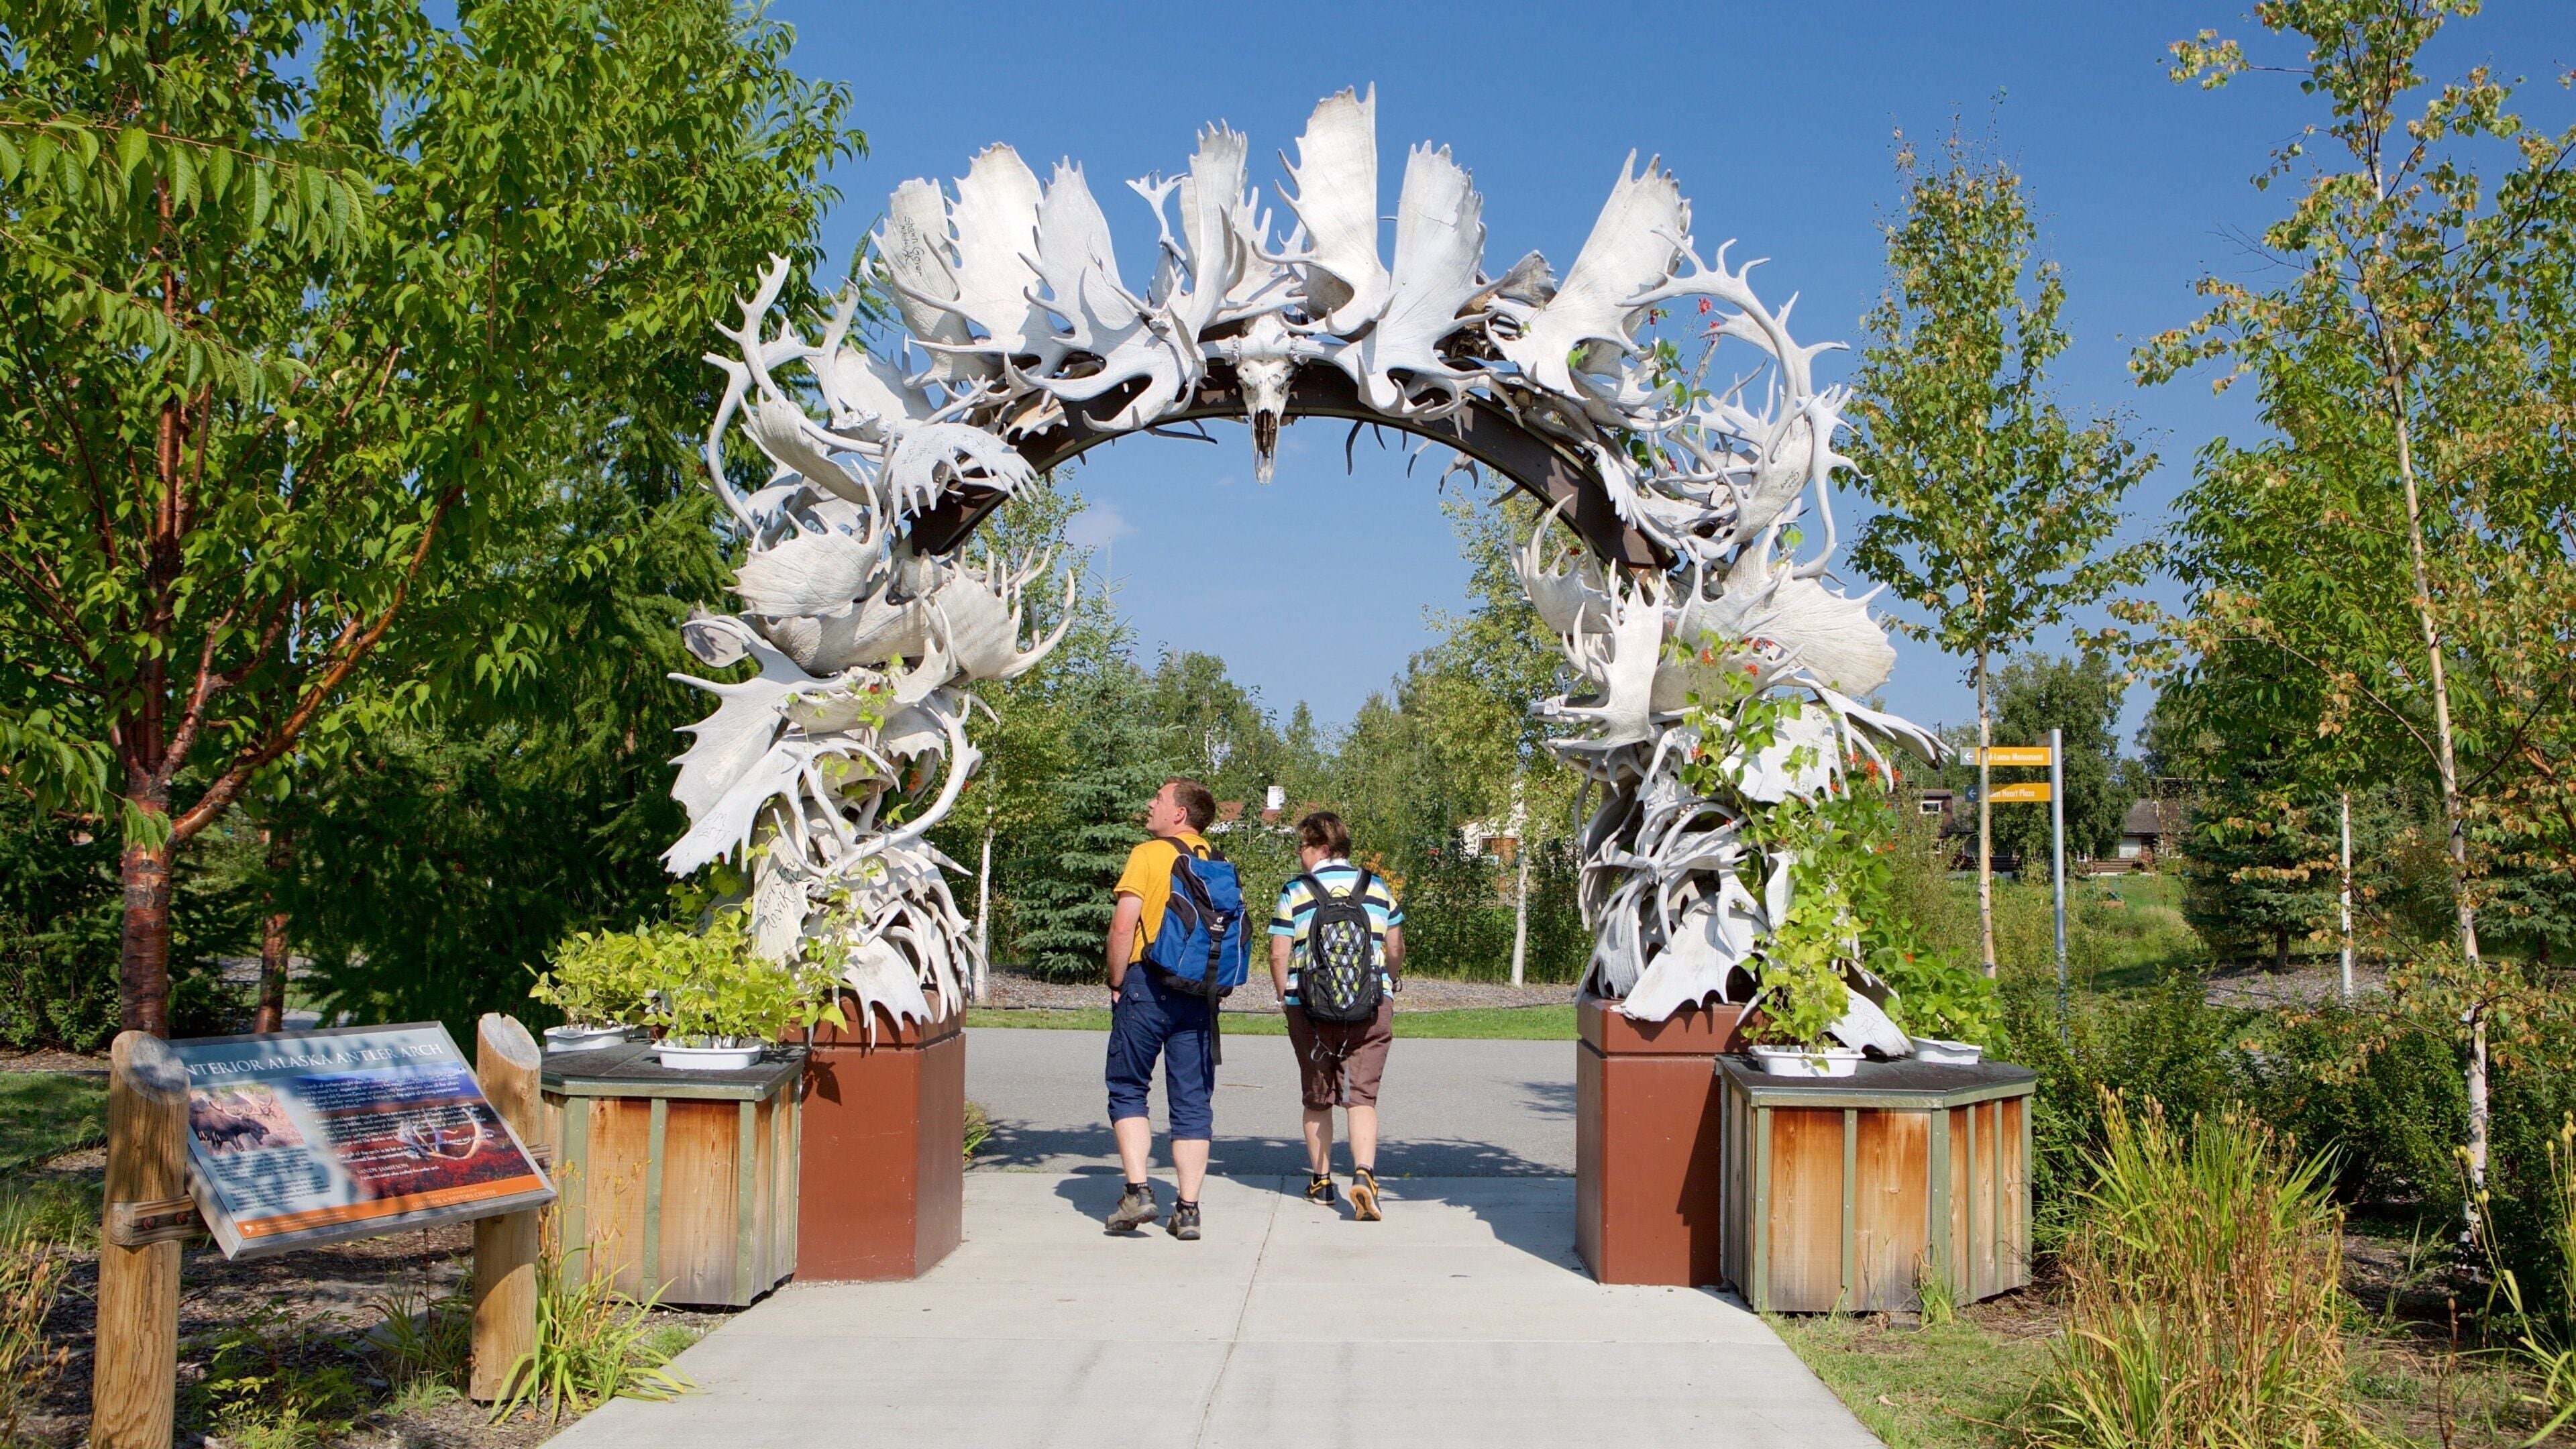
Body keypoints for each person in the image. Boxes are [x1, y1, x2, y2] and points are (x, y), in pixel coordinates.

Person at [1102, 777, 1223, 1240]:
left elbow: (1122, 926)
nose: (1150, 804)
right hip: (1199, 994)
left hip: (1147, 987)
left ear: (1179, 814)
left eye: (1159, 799)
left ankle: (1138, 1192)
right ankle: (1188, 1210)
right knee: (1193, 1101)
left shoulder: (1148, 855)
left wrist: (1116, 982)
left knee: (1128, 1086)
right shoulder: (1215, 860)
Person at [1270, 810, 1403, 1220]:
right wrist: (1389, 983)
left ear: (1323, 848)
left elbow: (1278, 952)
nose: (1299, 854)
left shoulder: (1296, 891)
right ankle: (1363, 1176)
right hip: (1370, 1006)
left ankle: (1322, 1182)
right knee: (1361, 1097)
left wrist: (1283, 996)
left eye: (1303, 846)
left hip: (1308, 1007)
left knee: (1318, 1097)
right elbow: (1395, 949)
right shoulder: (1378, 888)